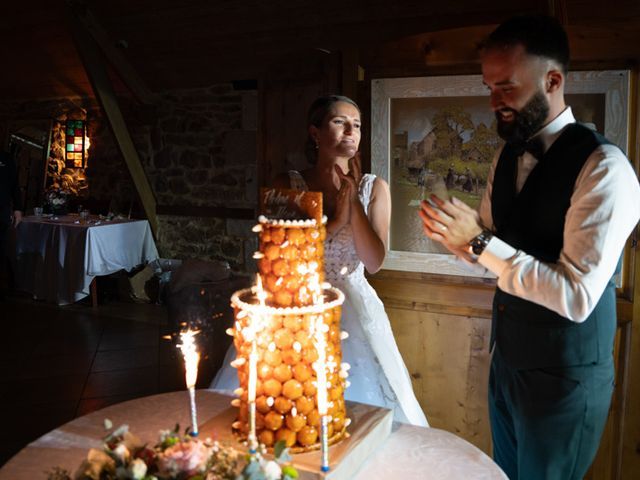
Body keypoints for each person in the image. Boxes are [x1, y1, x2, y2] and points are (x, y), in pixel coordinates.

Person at [418, 15, 640, 479]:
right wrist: (454, 237)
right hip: (507, 365)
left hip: (565, 379)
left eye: (506, 88)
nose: (494, 101)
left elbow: (576, 296)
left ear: (553, 80)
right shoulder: (505, 154)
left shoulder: (605, 168)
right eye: (489, 88)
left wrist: (476, 242)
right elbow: (493, 256)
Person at [211, 95, 428, 426]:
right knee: (286, 401)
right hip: (296, 303)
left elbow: (374, 262)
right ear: (315, 133)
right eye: (339, 122)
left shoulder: (374, 188)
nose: (350, 131)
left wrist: (353, 200)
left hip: (354, 304)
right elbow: (280, 256)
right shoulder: (290, 184)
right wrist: (337, 223)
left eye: (356, 125)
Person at [0, 150, 22, 298]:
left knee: (1, 249)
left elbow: (15, 185)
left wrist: (18, 209)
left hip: (1, 211)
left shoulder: (6, 157)